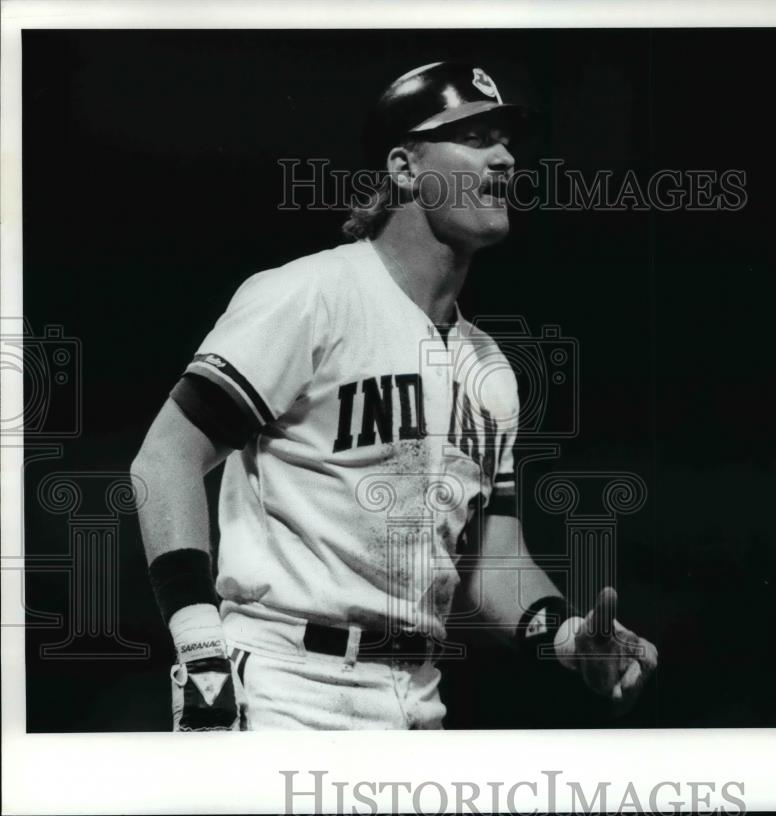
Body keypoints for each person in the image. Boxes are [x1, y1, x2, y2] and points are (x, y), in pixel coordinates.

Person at [130, 61, 657, 730]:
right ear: (404, 168)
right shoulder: (311, 296)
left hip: (417, 696)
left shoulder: (490, 367)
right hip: (285, 686)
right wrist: (198, 638)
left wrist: (568, 637)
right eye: (473, 136)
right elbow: (166, 457)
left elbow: (491, 561)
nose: (503, 158)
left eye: (506, 140)